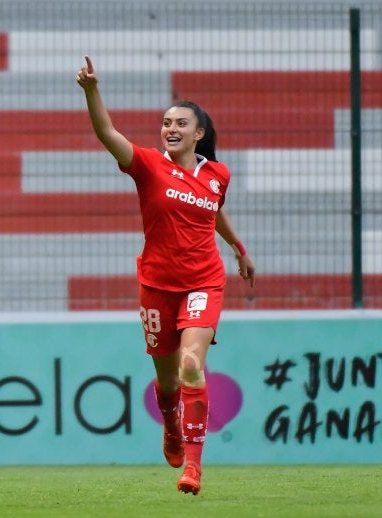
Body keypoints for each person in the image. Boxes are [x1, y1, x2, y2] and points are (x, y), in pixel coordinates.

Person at [75, 55, 255, 495]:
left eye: (180, 123)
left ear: (199, 134)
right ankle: (171, 424)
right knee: (169, 380)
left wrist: (237, 246)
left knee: (193, 365)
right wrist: (91, 91)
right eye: (165, 122)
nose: (170, 128)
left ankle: (192, 468)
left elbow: (211, 212)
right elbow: (107, 133)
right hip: (157, 284)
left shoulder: (218, 175)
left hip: (203, 281)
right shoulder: (149, 166)